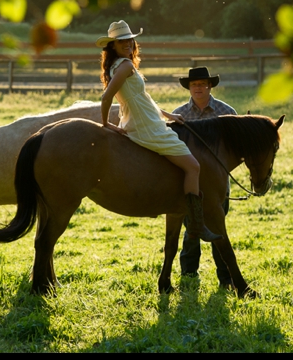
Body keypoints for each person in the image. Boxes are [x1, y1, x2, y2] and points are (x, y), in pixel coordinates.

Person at [97, 21, 221, 242]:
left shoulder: (117, 66)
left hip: (143, 121)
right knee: (193, 167)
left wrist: (168, 115)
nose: (127, 44)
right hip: (147, 128)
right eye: (121, 41)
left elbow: (142, 99)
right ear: (113, 45)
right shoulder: (125, 66)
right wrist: (106, 123)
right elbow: (106, 97)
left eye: (129, 40)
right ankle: (196, 225)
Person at [171, 67, 238, 288]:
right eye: (194, 85)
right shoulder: (179, 115)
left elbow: (234, 152)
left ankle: (225, 278)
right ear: (189, 88)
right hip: (189, 184)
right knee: (191, 231)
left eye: (201, 84)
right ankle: (189, 276)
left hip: (218, 186)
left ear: (209, 86)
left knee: (219, 232)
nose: (198, 88)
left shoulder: (226, 112)